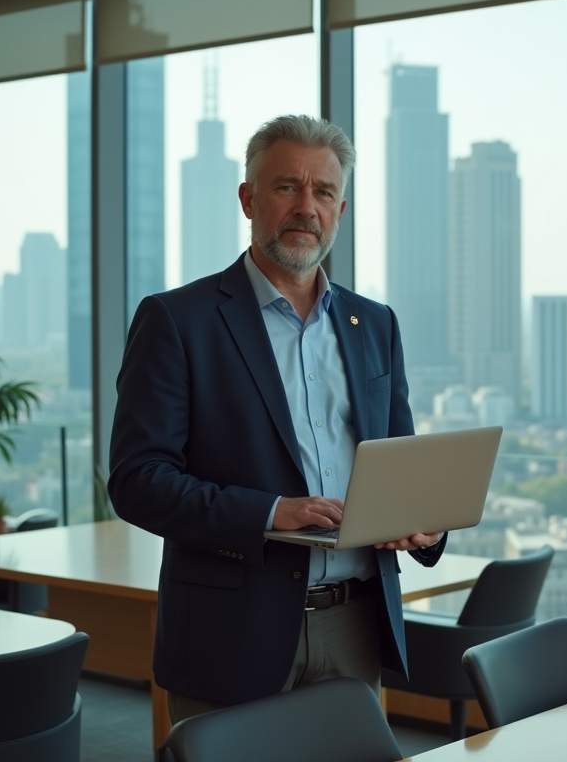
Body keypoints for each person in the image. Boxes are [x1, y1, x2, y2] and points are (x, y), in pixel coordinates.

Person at [108, 115, 445, 723]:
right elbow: (138, 481)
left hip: (355, 621)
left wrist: (422, 521)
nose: (305, 208)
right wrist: (269, 513)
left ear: (341, 208)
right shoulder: (177, 321)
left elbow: (399, 461)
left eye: (322, 192)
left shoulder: (375, 325)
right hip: (232, 628)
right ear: (248, 199)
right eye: (287, 186)